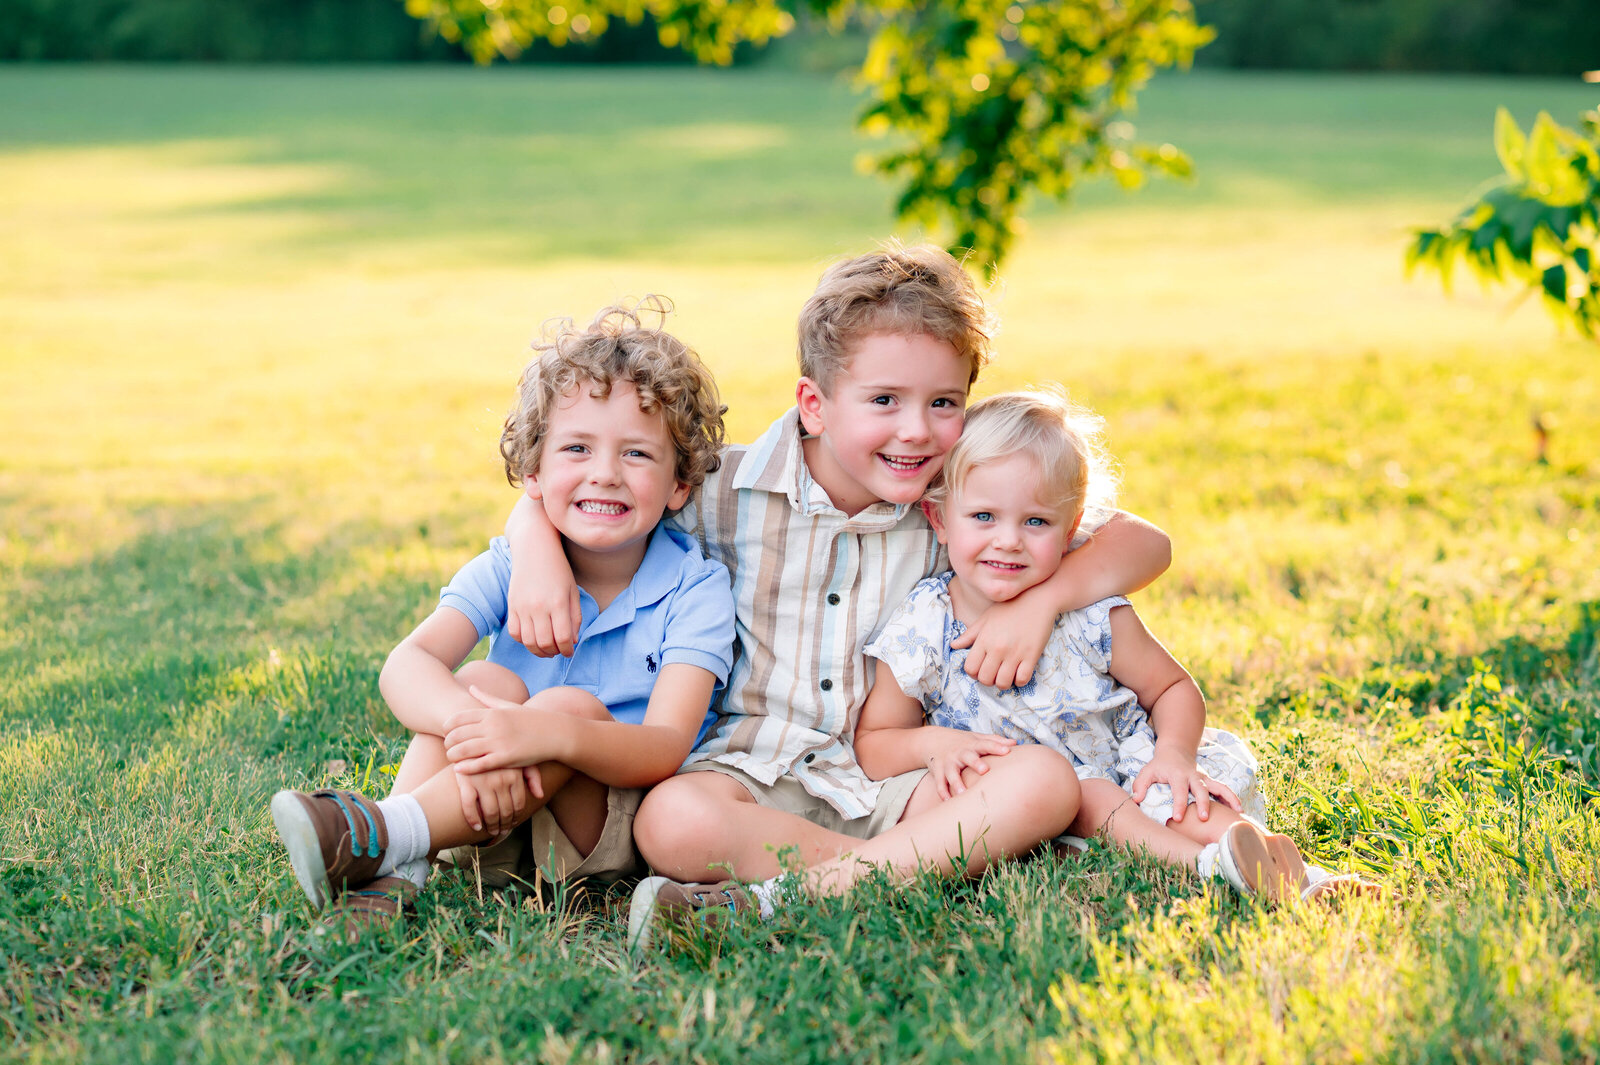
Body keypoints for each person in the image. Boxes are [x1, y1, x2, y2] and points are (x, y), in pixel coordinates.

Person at [502, 244, 1173, 951]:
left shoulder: (954, 504)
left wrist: (1042, 600)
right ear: (814, 405)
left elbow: (1145, 542)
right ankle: (921, 865)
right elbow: (591, 499)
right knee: (671, 820)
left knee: (1043, 780)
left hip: (903, 777)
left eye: (943, 403)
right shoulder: (721, 489)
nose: (916, 429)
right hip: (750, 771)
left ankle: (779, 899)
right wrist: (534, 539)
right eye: (885, 400)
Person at [268, 299, 736, 931]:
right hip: (488, 810)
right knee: (480, 684)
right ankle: (396, 876)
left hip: (603, 826)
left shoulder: (695, 587)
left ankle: (385, 831)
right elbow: (406, 665)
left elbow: (662, 747)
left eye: (636, 455)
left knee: (565, 706)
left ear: (680, 483)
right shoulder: (513, 563)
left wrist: (544, 734)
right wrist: (476, 727)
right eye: (576, 447)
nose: (604, 474)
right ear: (533, 471)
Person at [858, 389, 1371, 902]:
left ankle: (1306, 880)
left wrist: (1173, 754)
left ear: (1071, 529)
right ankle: (1212, 870)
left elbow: (1170, 686)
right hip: (1021, 804)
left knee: (1181, 805)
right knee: (1093, 796)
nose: (1009, 539)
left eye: (1035, 521)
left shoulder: (1090, 611)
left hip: (1128, 769)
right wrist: (933, 745)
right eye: (984, 517)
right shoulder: (925, 623)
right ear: (941, 519)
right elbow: (875, 741)